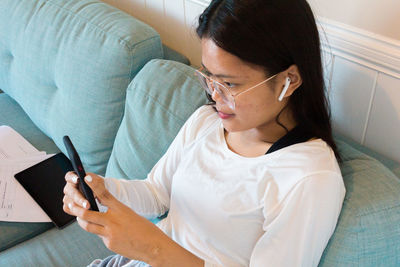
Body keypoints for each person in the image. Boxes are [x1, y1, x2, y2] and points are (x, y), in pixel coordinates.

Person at [63, 0, 346, 266]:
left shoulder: (309, 177)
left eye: (230, 84)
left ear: (289, 80)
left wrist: (152, 247)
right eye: (209, 76)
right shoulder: (206, 121)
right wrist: (103, 191)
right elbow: (156, 192)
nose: (214, 94)